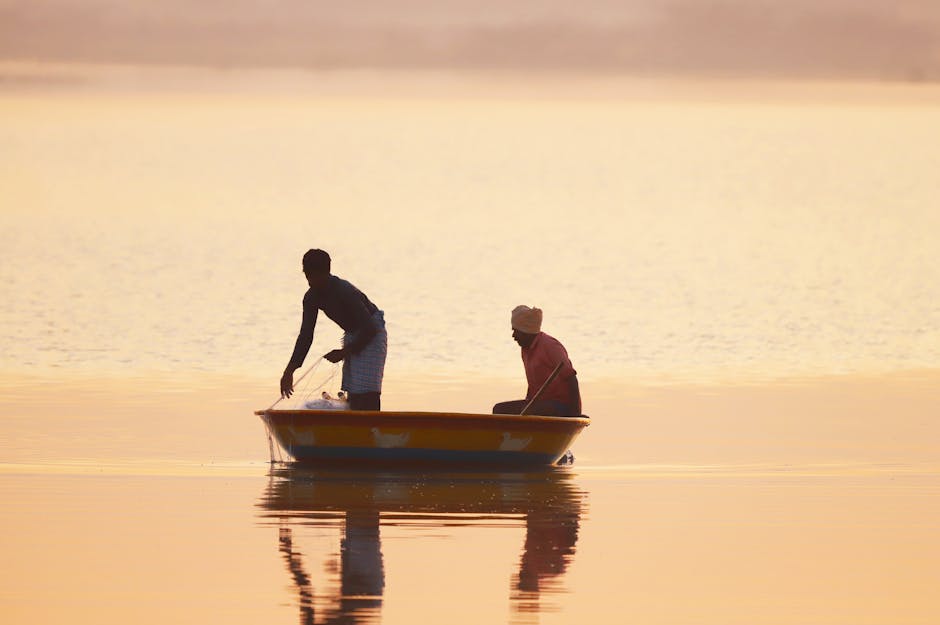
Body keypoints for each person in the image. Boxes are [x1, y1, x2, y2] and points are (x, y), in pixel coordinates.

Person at [280, 249, 387, 410]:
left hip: (372, 332)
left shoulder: (344, 290)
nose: (311, 282)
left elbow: (370, 329)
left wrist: (344, 352)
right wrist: (289, 371)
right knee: (353, 391)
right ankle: (353, 431)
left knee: (365, 392)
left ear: (326, 273)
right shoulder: (311, 297)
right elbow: (306, 336)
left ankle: (372, 429)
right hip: (353, 333)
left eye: (314, 276)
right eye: (308, 276)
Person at [493, 305, 582, 417]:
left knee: (534, 410)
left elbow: (571, 378)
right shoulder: (525, 350)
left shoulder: (551, 346)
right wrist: (526, 404)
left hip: (559, 406)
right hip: (538, 405)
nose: (513, 336)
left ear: (525, 331)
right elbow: (533, 386)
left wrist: (576, 413)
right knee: (499, 409)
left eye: (516, 331)